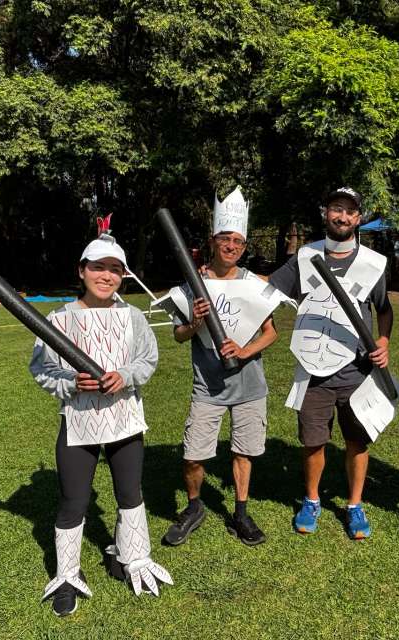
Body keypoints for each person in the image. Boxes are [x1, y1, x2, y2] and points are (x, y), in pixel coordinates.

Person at [29, 217, 171, 616]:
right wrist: (72, 382)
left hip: (125, 418)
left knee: (130, 493)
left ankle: (131, 557)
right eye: (98, 267)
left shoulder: (134, 318)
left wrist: (123, 376)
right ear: (81, 270)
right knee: (74, 500)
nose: (106, 276)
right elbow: (41, 370)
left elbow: (148, 360)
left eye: (115, 269)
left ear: (123, 276)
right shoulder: (56, 321)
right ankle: (68, 574)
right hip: (79, 422)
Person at [269, 187, 393, 539]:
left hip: (357, 370)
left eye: (349, 211)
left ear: (358, 218)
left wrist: (383, 341)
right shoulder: (304, 257)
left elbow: (384, 310)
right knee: (313, 440)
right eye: (336, 209)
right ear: (326, 212)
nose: (342, 217)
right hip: (312, 370)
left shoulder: (373, 263)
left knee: (357, 441)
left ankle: (354, 505)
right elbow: (270, 292)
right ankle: (311, 500)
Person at [163, 188, 279, 547]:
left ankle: (241, 513)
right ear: (213, 241)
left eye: (238, 241)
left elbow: (271, 333)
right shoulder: (192, 283)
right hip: (207, 387)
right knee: (193, 454)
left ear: (244, 247)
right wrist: (196, 322)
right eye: (225, 239)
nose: (231, 246)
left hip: (249, 386)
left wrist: (245, 351)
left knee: (243, 451)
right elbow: (179, 336)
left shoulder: (256, 284)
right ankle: (195, 506)